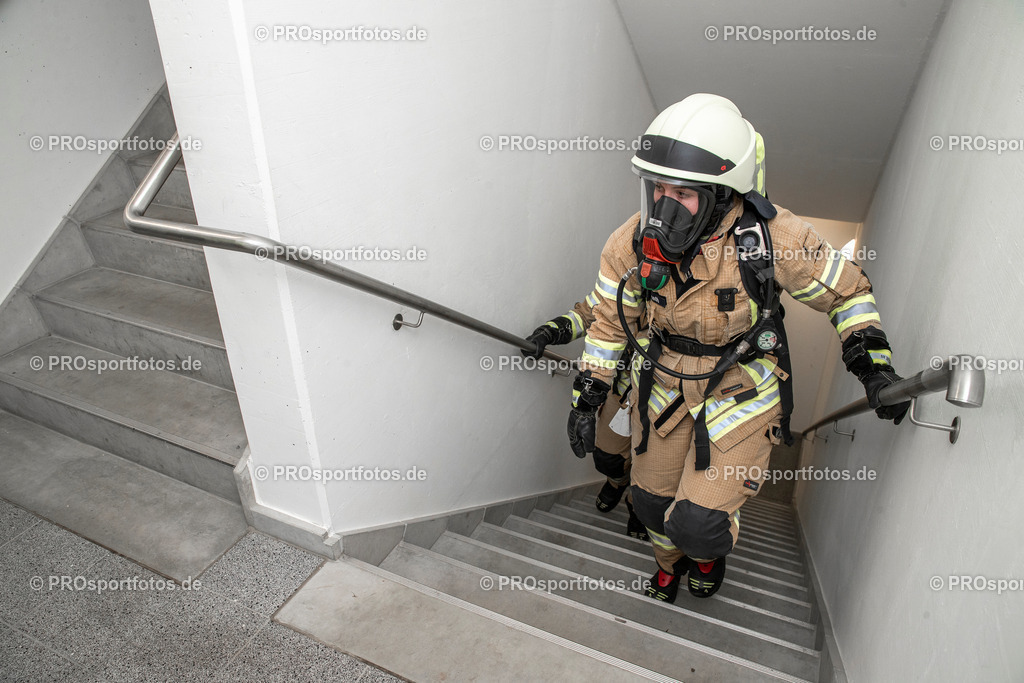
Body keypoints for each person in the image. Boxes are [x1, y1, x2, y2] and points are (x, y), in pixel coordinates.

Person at [566, 94, 910, 603]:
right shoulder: (629, 243)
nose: (661, 206)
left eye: (682, 194)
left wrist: (873, 367)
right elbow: (611, 324)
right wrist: (589, 394)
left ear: (724, 195)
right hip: (661, 387)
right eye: (656, 188)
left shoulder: (773, 238)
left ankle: (704, 554)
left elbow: (849, 292)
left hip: (740, 390)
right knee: (649, 502)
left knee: (699, 523)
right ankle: (668, 565)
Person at [524, 302, 648, 541]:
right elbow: (590, 313)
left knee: (654, 477)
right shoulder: (634, 278)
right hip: (623, 392)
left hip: (669, 407)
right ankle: (617, 481)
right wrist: (549, 331)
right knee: (607, 459)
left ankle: (638, 507)